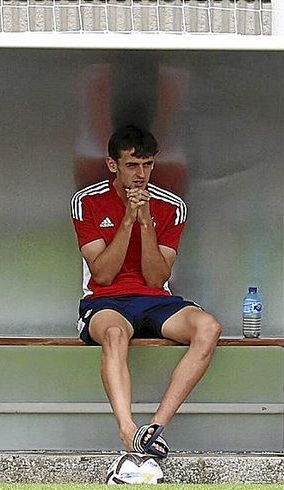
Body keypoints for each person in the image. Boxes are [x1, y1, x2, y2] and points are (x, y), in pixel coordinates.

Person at [70, 125, 221, 458]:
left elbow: (156, 279)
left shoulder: (172, 206)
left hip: (154, 300)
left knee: (208, 327)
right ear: (113, 165)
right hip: (105, 300)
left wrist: (146, 220)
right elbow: (103, 273)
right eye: (132, 165)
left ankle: (154, 428)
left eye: (147, 165)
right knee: (113, 333)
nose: (141, 174)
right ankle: (127, 429)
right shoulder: (87, 202)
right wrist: (127, 218)